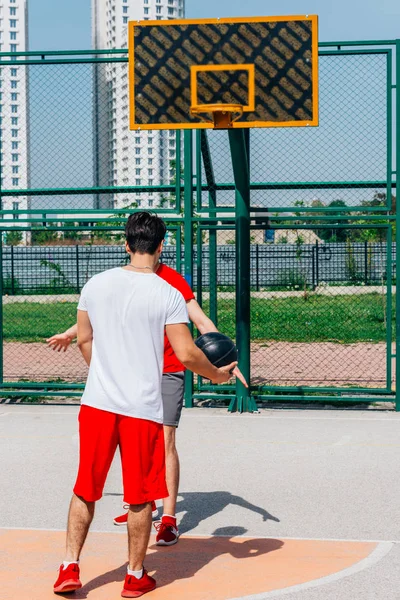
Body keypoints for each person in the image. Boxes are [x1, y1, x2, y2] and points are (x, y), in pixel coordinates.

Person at [53, 212, 237, 597]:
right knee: (140, 497)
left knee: (86, 488)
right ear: (160, 246)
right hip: (142, 409)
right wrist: (217, 376)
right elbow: (186, 354)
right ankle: (134, 575)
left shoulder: (96, 284)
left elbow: (84, 339)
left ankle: (69, 567)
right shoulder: (166, 292)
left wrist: (104, 374)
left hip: (97, 404)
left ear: (126, 244)